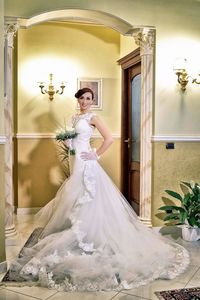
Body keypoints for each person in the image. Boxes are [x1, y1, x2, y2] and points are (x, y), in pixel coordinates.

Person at [2, 88, 189, 292]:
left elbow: (109, 138)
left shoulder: (93, 117)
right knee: (76, 196)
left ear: (92, 101)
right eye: (82, 98)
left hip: (86, 163)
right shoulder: (75, 117)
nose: (84, 101)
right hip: (76, 160)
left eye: (88, 98)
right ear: (78, 100)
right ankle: (82, 232)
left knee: (87, 196)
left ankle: (89, 236)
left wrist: (96, 155)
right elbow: (75, 143)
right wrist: (69, 143)